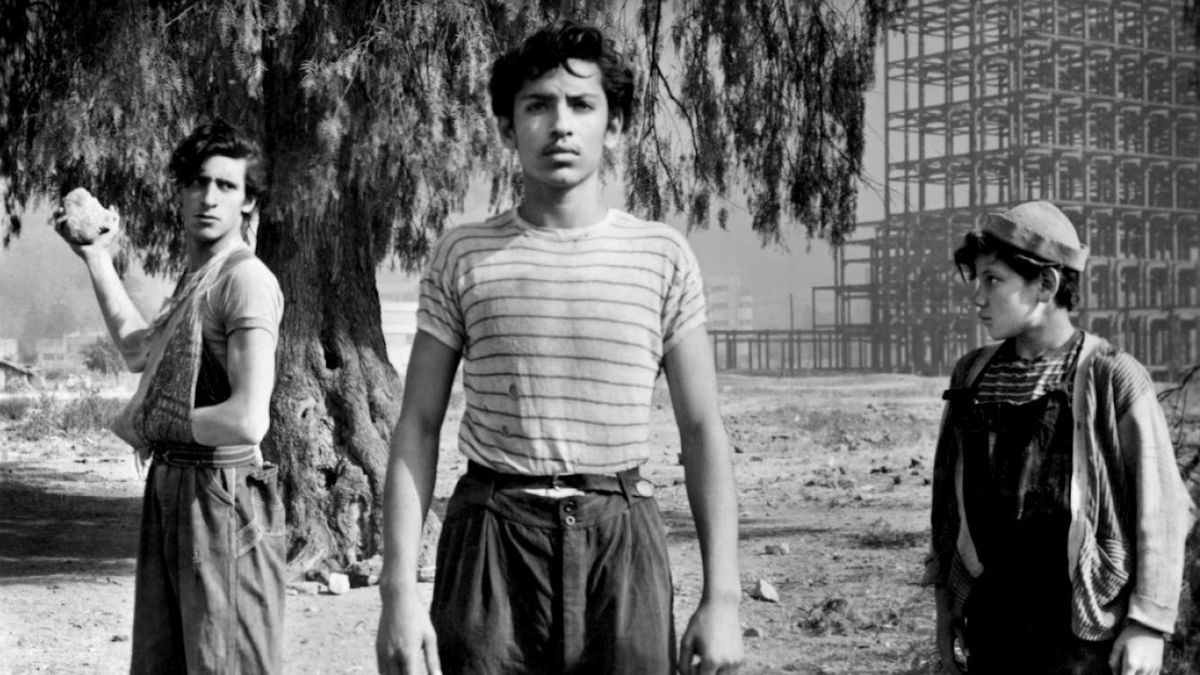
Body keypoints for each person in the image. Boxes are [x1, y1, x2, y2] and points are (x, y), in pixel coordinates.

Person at [375, 20, 743, 675]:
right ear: (507, 126)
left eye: (582, 105)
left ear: (615, 125)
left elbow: (701, 427)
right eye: (538, 106)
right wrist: (398, 592)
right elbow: (419, 425)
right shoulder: (464, 255)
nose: (561, 125)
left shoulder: (661, 256)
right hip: (491, 543)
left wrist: (723, 597)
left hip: (621, 543)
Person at [55, 120, 286, 674]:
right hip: (173, 485)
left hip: (221, 492)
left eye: (226, 185)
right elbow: (140, 350)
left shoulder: (245, 282)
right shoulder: (197, 278)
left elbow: (247, 420)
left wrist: (159, 421)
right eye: (198, 182)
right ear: (179, 193)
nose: (209, 197)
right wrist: (97, 257)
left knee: (223, 663)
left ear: (248, 201)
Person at [926, 200, 1193, 675]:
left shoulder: (1111, 375)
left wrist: (1148, 625)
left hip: (1081, 633)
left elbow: (1164, 507)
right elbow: (946, 503)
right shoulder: (971, 376)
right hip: (992, 622)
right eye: (977, 280)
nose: (977, 297)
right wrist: (946, 608)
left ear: (1046, 285)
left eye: (993, 280)